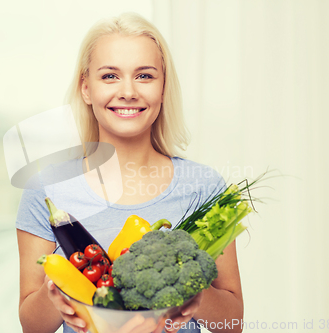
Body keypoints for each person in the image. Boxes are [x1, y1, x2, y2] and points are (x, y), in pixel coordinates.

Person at [16, 12, 243, 333]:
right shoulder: (47, 188)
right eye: (109, 76)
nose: (128, 91)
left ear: (163, 88)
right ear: (86, 88)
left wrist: (192, 291)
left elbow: (233, 324)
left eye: (145, 76)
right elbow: (31, 326)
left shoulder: (204, 187)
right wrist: (55, 292)